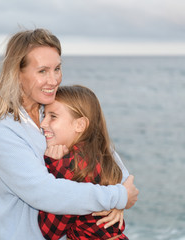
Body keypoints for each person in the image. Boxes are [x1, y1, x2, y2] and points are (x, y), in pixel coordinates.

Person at [0, 28, 139, 239]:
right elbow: (43, 192)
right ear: (17, 73)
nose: (53, 80)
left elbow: (115, 167)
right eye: (42, 71)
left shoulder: (56, 106)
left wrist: (118, 198)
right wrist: (116, 197)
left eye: (57, 68)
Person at [38, 85, 129, 240]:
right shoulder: (100, 156)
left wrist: (50, 165)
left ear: (80, 125)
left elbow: (50, 230)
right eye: (43, 115)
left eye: (53, 116)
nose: (43, 123)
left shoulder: (69, 166)